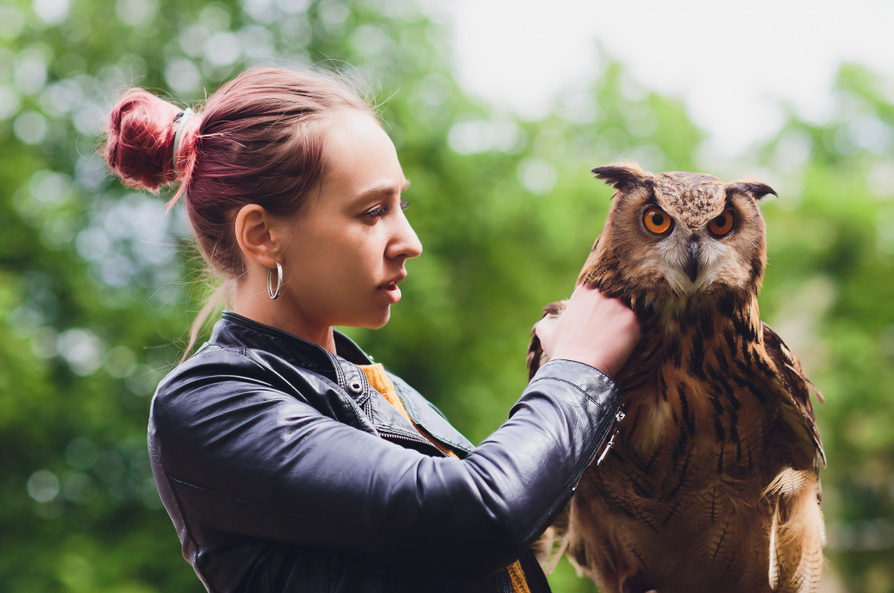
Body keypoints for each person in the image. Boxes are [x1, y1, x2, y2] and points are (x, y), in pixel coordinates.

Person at [102, 66, 641, 593]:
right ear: (263, 234)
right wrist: (578, 370)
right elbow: (477, 516)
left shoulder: (384, 392)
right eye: (372, 212)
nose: (410, 240)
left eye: (400, 204)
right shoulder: (209, 403)